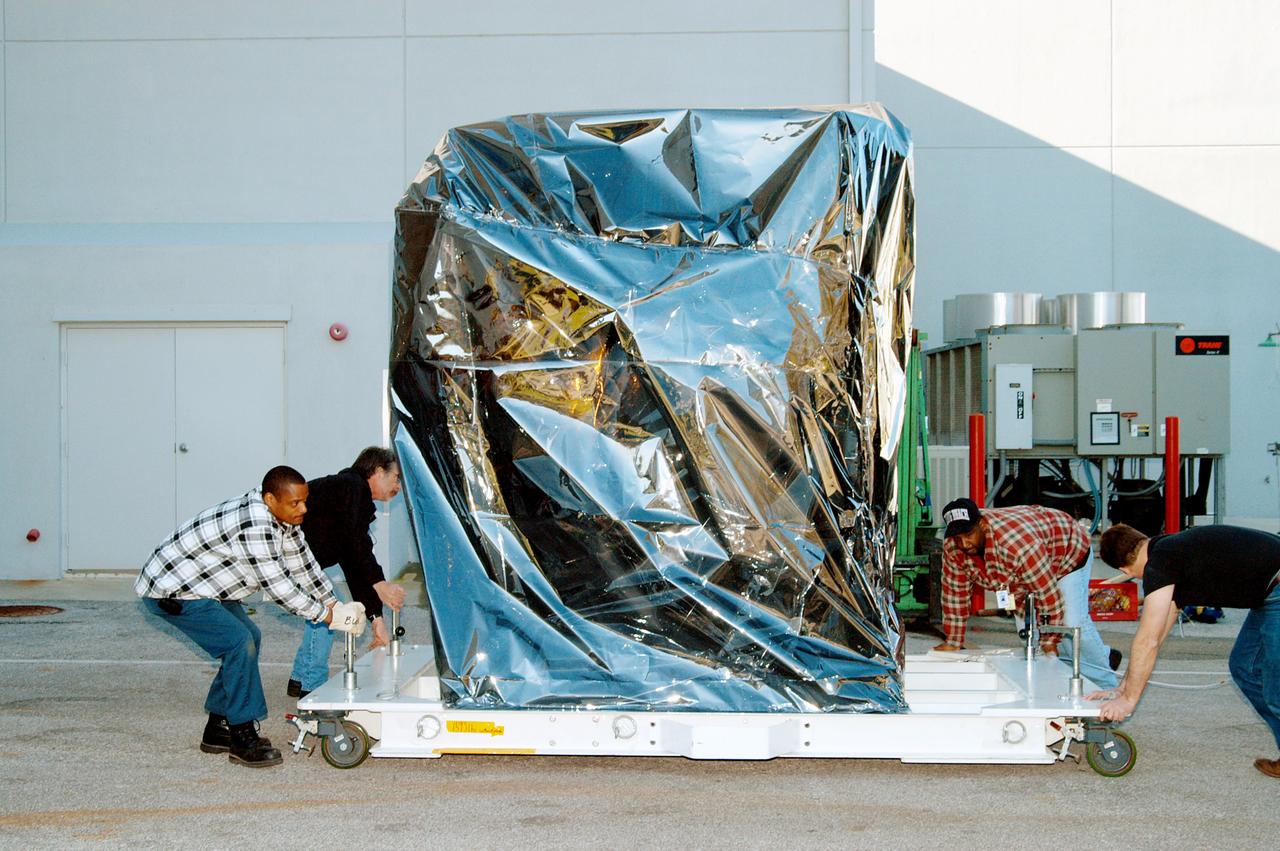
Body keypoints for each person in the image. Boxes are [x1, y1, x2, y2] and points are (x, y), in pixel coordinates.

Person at [136, 466, 366, 768]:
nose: (304, 509)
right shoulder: (255, 524)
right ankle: (242, 737)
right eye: (295, 503)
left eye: (305, 501)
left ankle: (218, 727)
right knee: (238, 642)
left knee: (249, 638)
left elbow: (303, 566)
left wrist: (337, 604)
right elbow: (280, 586)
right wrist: (327, 616)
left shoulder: (283, 518)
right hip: (174, 590)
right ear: (270, 499)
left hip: (206, 587)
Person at [1091, 522, 1280, 779]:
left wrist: (1129, 701)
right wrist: (1123, 688)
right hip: (1269, 593)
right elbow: (1155, 636)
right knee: (1244, 667)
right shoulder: (1168, 551)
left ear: (1124, 569)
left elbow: (1148, 641)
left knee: (1274, 686)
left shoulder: (1160, 565)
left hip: (1276, 588)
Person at [933, 497, 1121, 690]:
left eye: (969, 534)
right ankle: (1099, 657)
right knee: (1029, 634)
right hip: (1026, 570)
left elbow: (1048, 597)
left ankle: (1105, 685)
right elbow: (955, 594)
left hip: (1067, 552)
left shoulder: (1017, 546)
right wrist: (954, 640)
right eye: (958, 537)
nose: (964, 543)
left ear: (981, 523)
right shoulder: (953, 548)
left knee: (1071, 623)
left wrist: (1050, 641)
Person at [287, 447, 405, 699]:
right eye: (396, 478)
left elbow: (354, 563)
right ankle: (312, 687)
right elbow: (357, 545)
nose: (398, 487)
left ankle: (300, 679)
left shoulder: (350, 495)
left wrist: (376, 618)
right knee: (331, 610)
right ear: (377, 471)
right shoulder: (351, 487)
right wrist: (379, 582)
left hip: (301, 561)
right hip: (287, 557)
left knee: (323, 605)